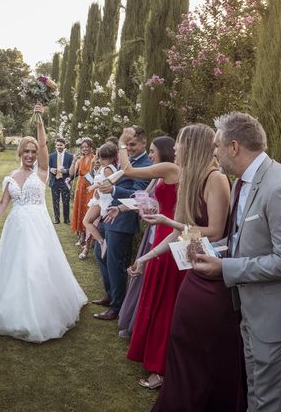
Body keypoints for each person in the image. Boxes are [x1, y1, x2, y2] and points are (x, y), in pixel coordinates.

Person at [192, 112, 281, 411]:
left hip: (278, 322)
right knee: (257, 399)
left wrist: (225, 268)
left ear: (234, 146)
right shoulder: (242, 183)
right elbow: (248, 240)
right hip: (254, 315)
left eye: (216, 145)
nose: (214, 152)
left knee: (270, 404)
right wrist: (217, 249)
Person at [127, 124, 244, 411]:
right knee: (181, 341)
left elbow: (215, 231)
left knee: (198, 349)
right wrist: (147, 257)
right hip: (196, 268)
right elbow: (183, 231)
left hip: (214, 274)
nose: (176, 149)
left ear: (191, 147)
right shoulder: (192, 178)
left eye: (180, 144)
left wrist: (170, 223)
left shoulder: (215, 178)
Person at [0, 104, 87, 342]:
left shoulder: (42, 171)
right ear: (19, 153)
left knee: (37, 266)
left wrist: (39, 120)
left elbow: (44, 145)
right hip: (16, 227)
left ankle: (43, 313)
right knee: (16, 267)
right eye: (26, 152)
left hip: (38, 226)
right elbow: (3, 204)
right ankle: (13, 312)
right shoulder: (10, 178)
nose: (29, 155)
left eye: (33, 152)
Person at [110, 134, 179, 389]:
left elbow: (127, 170)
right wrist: (122, 208)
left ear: (164, 152)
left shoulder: (171, 169)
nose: (150, 155)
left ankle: (160, 367)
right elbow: (147, 199)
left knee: (161, 300)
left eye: (152, 151)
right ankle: (148, 352)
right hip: (156, 232)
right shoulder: (162, 173)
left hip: (168, 235)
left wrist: (122, 143)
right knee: (149, 295)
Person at [93, 126, 152, 321]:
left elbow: (139, 195)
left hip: (124, 219)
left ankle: (117, 306)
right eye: (127, 145)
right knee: (99, 254)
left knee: (115, 262)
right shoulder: (128, 160)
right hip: (110, 214)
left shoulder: (145, 164)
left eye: (133, 144)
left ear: (144, 143)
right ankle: (111, 295)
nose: (130, 148)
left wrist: (114, 190)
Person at [82, 143, 118, 257]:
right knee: (88, 222)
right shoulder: (104, 167)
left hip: (103, 200)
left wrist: (95, 187)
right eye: (100, 158)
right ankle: (100, 242)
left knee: (87, 221)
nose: (101, 161)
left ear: (111, 158)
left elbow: (109, 183)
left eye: (104, 158)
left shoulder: (108, 168)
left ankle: (102, 242)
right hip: (98, 198)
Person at [69, 138, 95, 251]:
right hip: (80, 187)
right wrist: (74, 161)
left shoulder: (95, 159)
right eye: (83, 147)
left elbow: (93, 174)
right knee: (79, 209)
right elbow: (71, 174)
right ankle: (81, 236)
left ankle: (88, 237)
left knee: (87, 209)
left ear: (91, 147)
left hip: (90, 187)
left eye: (86, 146)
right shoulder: (80, 159)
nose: (84, 149)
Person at [48, 138, 73, 225]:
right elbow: (47, 167)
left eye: (61, 145)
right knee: (55, 201)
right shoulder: (51, 156)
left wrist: (65, 171)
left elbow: (73, 169)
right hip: (55, 181)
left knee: (66, 201)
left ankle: (66, 219)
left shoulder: (70, 156)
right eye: (58, 145)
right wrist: (51, 170)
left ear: (64, 145)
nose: (59, 147)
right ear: (56, 145)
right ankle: (56, 219)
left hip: (65, 181)